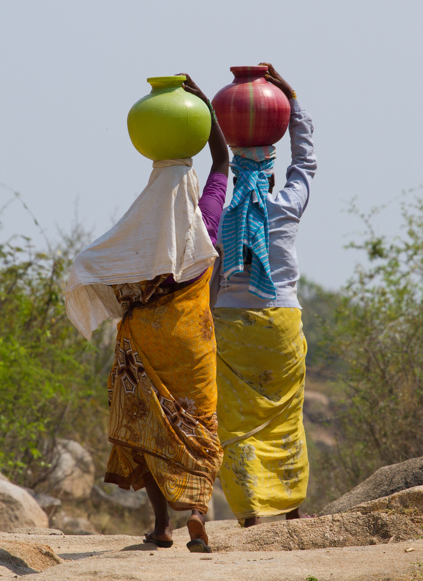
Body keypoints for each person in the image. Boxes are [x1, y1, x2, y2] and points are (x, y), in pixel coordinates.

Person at [64, 74, 229, 552]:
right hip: (193, 342)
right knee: (198, 427)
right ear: (192, 187)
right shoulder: (207, 222)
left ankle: (161, 527)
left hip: (144, 344)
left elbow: (89, 264)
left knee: (146, 427)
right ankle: (198, 512)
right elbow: (222, 160)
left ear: (153, 187)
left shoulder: (136, 237)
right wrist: (204, 108)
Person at [213, 63, 317, 527]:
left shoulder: (219, 216)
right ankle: (292, 508)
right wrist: (291, 99)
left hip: (231, 325)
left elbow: (214, 169)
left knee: (236, 423)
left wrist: (205, 114)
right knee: (285, 416)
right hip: (280, 322)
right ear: (272, 176)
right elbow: (307, 162)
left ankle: (250, 514)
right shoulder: (288, 204)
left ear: (236, 175)